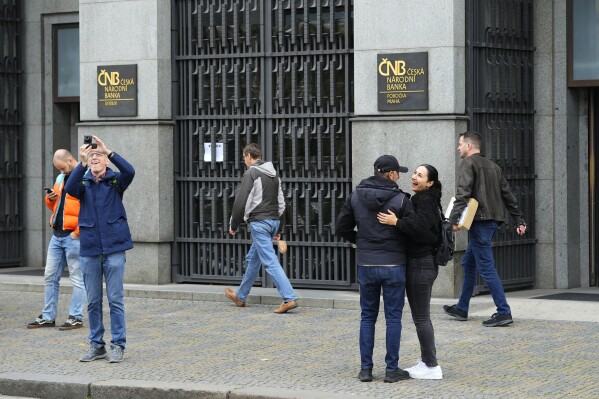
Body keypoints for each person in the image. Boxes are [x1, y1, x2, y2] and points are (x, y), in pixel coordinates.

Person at [336, 155, 414, 383]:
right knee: (393, 318)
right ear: (390, 174)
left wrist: (360, 241)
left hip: (366, 264)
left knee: (367, 317)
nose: (399, 176)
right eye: (397, 172)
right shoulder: (400, 200)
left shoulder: (355, 196)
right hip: (394, 264)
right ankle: (391, 370)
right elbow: (412, 230)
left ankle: (366, 370)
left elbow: (341, 227)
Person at [443, 131, 526, 327]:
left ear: (469, 146)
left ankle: (503, 312)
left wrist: (453, 220)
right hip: (491, 221)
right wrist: (519, 220)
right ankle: (462, 308)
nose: (458, 148)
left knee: (486, 267)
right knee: (468, 263)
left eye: (460, 144)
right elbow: (508, 196)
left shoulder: (468, 163)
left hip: (479, 222)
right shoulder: (494, 167)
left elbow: (463, 193)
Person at [64, 135, 135, 362]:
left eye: (99, 156)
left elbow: (130, 171)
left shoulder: (115, 181)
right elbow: (69, 188)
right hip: (90, 250)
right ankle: (97, 345)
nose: (95, 158)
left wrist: (109, 151)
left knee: (115, 300)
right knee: (93, 301)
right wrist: (82, 162)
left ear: (105, 162)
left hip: (114, 249)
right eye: (91, 155)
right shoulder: (82, 183)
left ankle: (118, 345)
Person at [377, 164, 444, 380]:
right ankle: (426, 361)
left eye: (420, 175)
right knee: (421, 317)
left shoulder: (425, 200)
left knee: (422, 318)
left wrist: (396, 222)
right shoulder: (427, 198)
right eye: (415, 173)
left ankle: (432, 366)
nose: (414, 177)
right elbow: (429, 232)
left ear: (430, 183)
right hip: (422, 263)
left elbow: (420, 227)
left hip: (421, 265)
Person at [224, 143, 298, 314]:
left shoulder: (252, 173)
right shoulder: (274, 176)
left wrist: (233, 224)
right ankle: (241, 296)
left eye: (244, 158)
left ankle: (289, 297)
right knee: (253, 259)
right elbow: (282, 203)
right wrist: (280, 228)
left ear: (249, 155)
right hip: (273, 222)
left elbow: (241, 200)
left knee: (269, 261)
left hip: (259, 223)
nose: (244, 161)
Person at [27, 150, 86, 331]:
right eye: (58, 169)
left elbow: (90, 208)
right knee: (50, 277)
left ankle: (76, 316)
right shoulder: (61, 179)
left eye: (62, 167)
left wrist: (77, 231)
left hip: (73, 236)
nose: (60, 172)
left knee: (77, 278)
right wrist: (50, 198)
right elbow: (57, 206)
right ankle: (48, 316)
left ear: (70, 160)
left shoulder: (85, 176)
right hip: (57, 235)